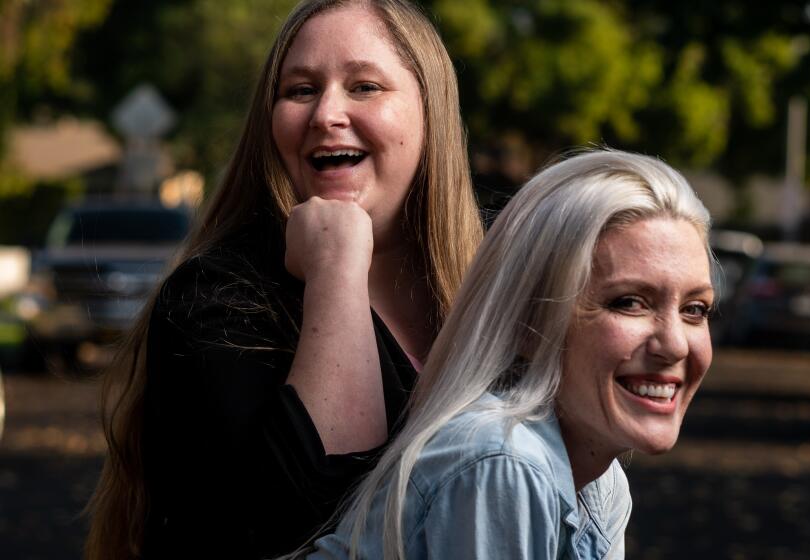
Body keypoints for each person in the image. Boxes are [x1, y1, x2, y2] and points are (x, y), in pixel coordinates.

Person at [84, 1, 483, 558]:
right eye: (300, 90)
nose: (326, 113)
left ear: (430, 111)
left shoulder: (488, 295)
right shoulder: (214, 298)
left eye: (365, 86)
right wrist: (337, 269)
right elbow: (306, 526)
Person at [299, 150, 715, 560]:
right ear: (530, 322)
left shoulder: (602, 485)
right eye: (629, 302)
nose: (675, 344)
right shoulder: (502, 462)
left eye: (694, 309)